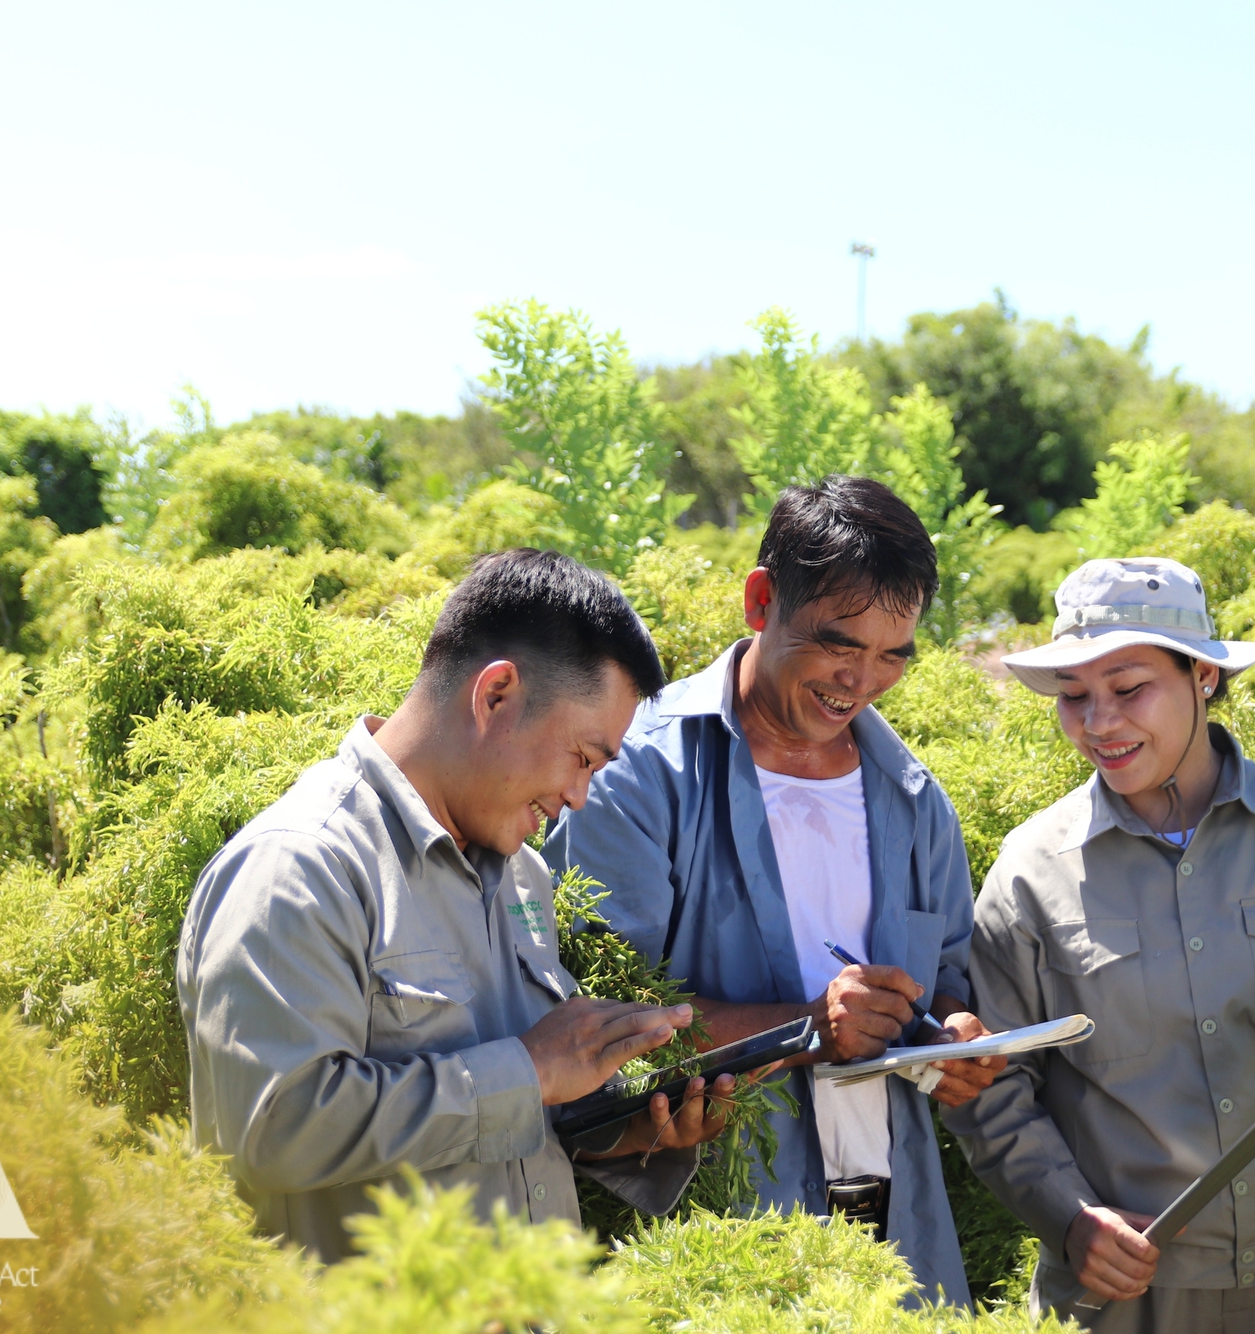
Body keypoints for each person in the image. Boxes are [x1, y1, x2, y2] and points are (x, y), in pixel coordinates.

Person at [944, 556, 1255, 1334]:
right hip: (1122, 1291)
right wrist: (1069, 1217)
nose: (1099, 722)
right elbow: (990, 1088)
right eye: (1074, 697)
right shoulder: (1030, 873)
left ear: (1203, 677)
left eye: (1127, 688)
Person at [178, 549, 736, 1262]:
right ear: (496, 694)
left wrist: (624, 1126)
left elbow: (508, 1118)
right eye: (583, 758)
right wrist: (528, 1070)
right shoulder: (299, 867)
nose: (578, 797)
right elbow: (274, 1131)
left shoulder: (522, 879)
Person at [545, 476, 1002, 1305]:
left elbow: (948, 983)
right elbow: (586, 1032)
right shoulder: (634, 776)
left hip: (902, 1237)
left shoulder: (913, 797)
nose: (860, 682)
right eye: (839, 644)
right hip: (721, 1252)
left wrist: (955, 1042)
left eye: (892, 655)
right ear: (761, 601)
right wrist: (808, 1029)